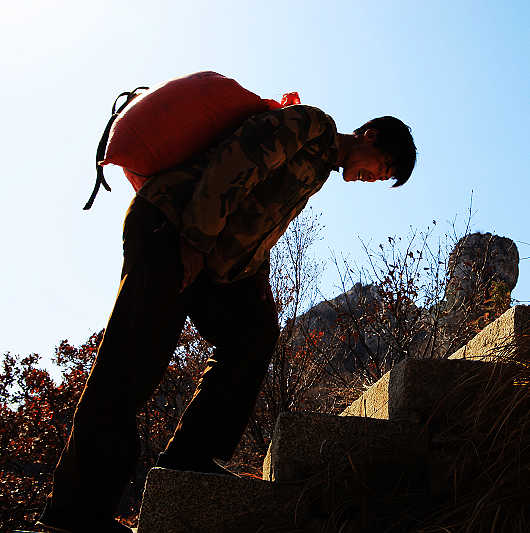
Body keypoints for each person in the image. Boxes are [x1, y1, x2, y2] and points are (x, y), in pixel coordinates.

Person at [38, 104, 417, 532]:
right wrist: (195, 244)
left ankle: (190, 460)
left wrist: (252, 282)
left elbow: (256, 222)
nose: (376, 175)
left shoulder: (317, 169)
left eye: (384, 177)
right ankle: (73, 513)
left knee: (253, 336)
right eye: (383, 164)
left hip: (211, 256)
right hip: (171, 227)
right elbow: (234, 163)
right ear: (368, 134)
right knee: (130, 363)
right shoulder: (311, 126)